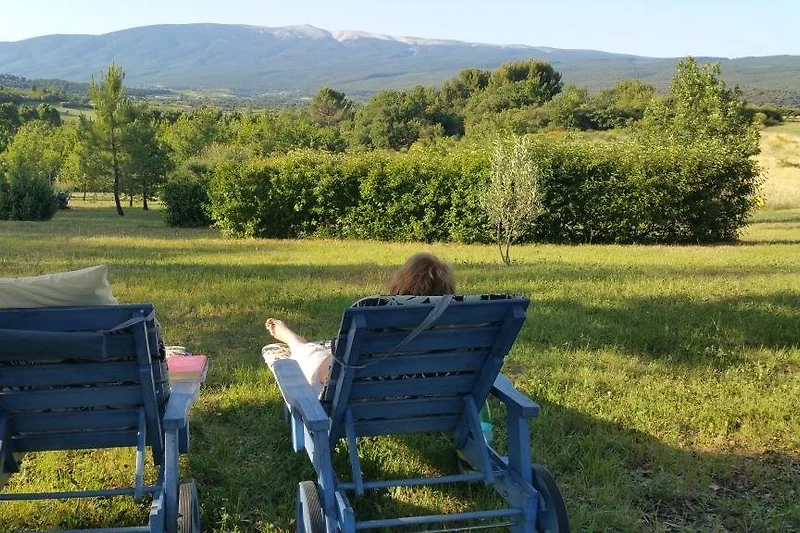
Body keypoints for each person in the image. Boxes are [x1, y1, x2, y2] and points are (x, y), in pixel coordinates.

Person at [262, 252, 455, 394]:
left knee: (312, 356)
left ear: (401, 284)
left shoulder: (377, 320)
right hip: (431, 399)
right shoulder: (458, 330)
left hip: (365, 396)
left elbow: (328, 375)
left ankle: (293, 340)